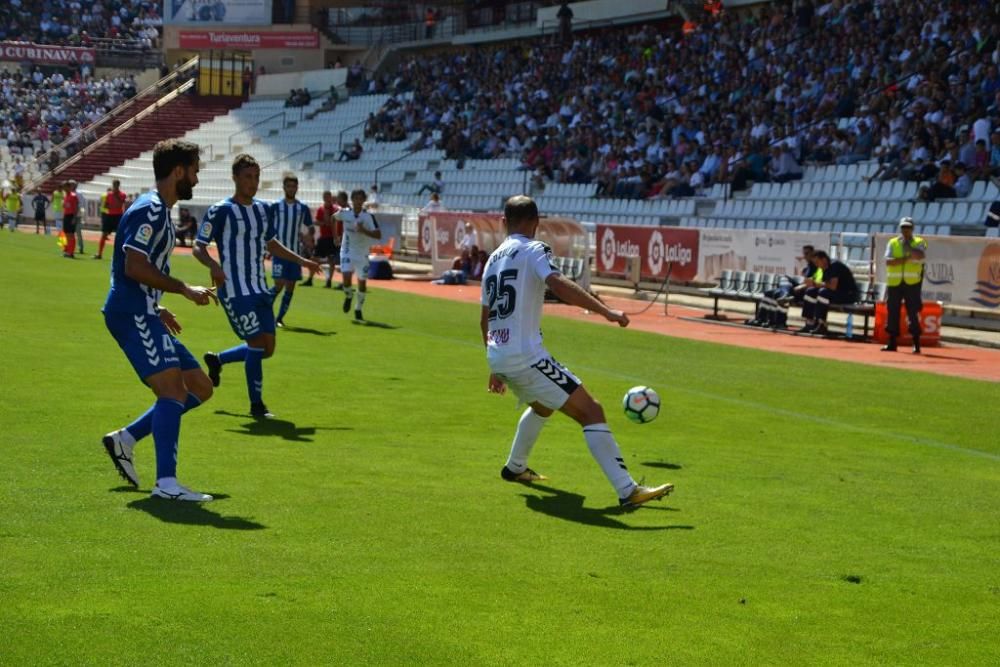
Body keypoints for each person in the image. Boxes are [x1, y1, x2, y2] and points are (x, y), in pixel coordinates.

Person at [482, 195, 673, 508]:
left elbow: (485, 317)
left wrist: (494, 363)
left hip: (499, 353)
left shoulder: (492, 260)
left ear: (504, 223)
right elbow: (557, 283)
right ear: (536, 223)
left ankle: (515, 468)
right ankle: (628, 490)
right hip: (525, 356)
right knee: (592, 411)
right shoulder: (534, 249)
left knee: (543, 406)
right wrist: (606, 310)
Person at [100, 139, 219, 502]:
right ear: (179, 171)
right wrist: (182, 289)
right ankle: (166, 485)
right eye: (195, 170)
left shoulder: (157, 212)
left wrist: (157, 304)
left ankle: (127, 438)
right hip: (131, 311)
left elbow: (132, 268)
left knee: (200, 386)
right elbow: (133, 266)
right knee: (171, 391)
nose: (197, 179)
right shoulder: (150, 210)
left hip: (143, 309)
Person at [194, 154, 322, 419]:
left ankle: (217, 360)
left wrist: (302, 261)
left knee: (267, 349)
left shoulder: (263, 209)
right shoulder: (221, 210)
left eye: (256, 177)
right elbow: (199, 246)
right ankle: (257, 406)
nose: (253, 183)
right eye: (247, 177)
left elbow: (272, 244)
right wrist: (213, 266)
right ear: (235, 178)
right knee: (255, 343)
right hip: (234, 289)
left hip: (259, 288)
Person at [270, 173, 313, 328]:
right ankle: (265, 311)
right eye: (288, 186)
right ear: (284, 188)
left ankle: (279, 318)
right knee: (279, 284)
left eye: (294, 186)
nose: (291, 188)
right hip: (279, 253)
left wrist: (308, 240)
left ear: (297, 188)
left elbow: (309, 228)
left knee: (290, 287)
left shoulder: (302, 208)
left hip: (295, 254)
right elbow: (267, 226)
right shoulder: (275, 206)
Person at [882, 217, 927, 354]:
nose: (905, 230)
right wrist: (905, 258)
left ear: (912, 229)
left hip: (912, 283)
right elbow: (888, 261)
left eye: (907, 227)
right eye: (903, 227)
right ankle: (892, 342)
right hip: (895, 283)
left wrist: (908, 247)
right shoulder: (893, 242)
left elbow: (919, 255)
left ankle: (916, 343)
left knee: (913, 313)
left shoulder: (919, 241)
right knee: (892, 312)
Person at [337, 189, 381, 321]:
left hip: (362, 254)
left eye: (360, 198)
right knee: (346, 279)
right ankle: (349, 296)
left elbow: (378, 235)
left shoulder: (368, 217)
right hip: (347, 250)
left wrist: (363, 230)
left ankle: (358, 309)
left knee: (362, 284)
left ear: (363, 200)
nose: (358, 201)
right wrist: (335, 236)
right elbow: (333, 218)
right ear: (352, 200)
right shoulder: (345, 213)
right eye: (355, 198)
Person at [749, 245, 817, 328]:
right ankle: (762, 319)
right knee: (769, 292)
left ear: (813, 253)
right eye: (804, 254)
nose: (805, 256)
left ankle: (780, 321)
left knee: (778, 294)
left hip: (805, 292)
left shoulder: (817, 266)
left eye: (807, 253)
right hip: (798, 290)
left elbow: (814, 282)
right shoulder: (808, 267)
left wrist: (801, 286)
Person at [798, 250, 859, 335]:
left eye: (817, 262)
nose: (816, 265)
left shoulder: (835, 266)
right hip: (836, 293)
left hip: (848, 294)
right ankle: (810, 323)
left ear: (824, 260)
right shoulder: (823, 269)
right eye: (814, 263)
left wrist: (815, 283)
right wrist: (810, 284)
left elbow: (832, 286)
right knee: (810, 291)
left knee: (823, 293)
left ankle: (822, 324)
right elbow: (821, 283)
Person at [303, 190, 339, 287]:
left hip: (332, 237)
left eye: (328, 197)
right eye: (325, 197)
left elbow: (335, 222)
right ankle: (310, 279)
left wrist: (328, 222)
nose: (327, 199)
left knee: (331, 260)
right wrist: (323, 223)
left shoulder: (335, 209)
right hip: (323, 237)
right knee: (314, 258)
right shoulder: (321, 209)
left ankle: (329, 281)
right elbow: (316, 221)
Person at [95, 179, 127, 259]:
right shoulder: (108, 195)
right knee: (104, 234)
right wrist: (108, 206)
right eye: (114, 185)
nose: (115, 186)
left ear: (118, 185)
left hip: (118, 216)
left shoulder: (122, 195)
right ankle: (99, 253)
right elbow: (106, 205)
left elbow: (121, 204)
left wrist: (115, 197)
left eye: (116, 185)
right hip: (109, 216)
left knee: (119, 236)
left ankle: (117, 255)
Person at [61, 181, 79, 258]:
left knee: (71, 234)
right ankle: (67, 250)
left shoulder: (73, 196)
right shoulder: (65, 196)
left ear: (68, 187)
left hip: (71, 216)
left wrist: (74, 218)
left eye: (65, 187)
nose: (64, 189)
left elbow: (76, 208)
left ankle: (71, 252)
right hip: (66, 216)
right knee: (66, 234)